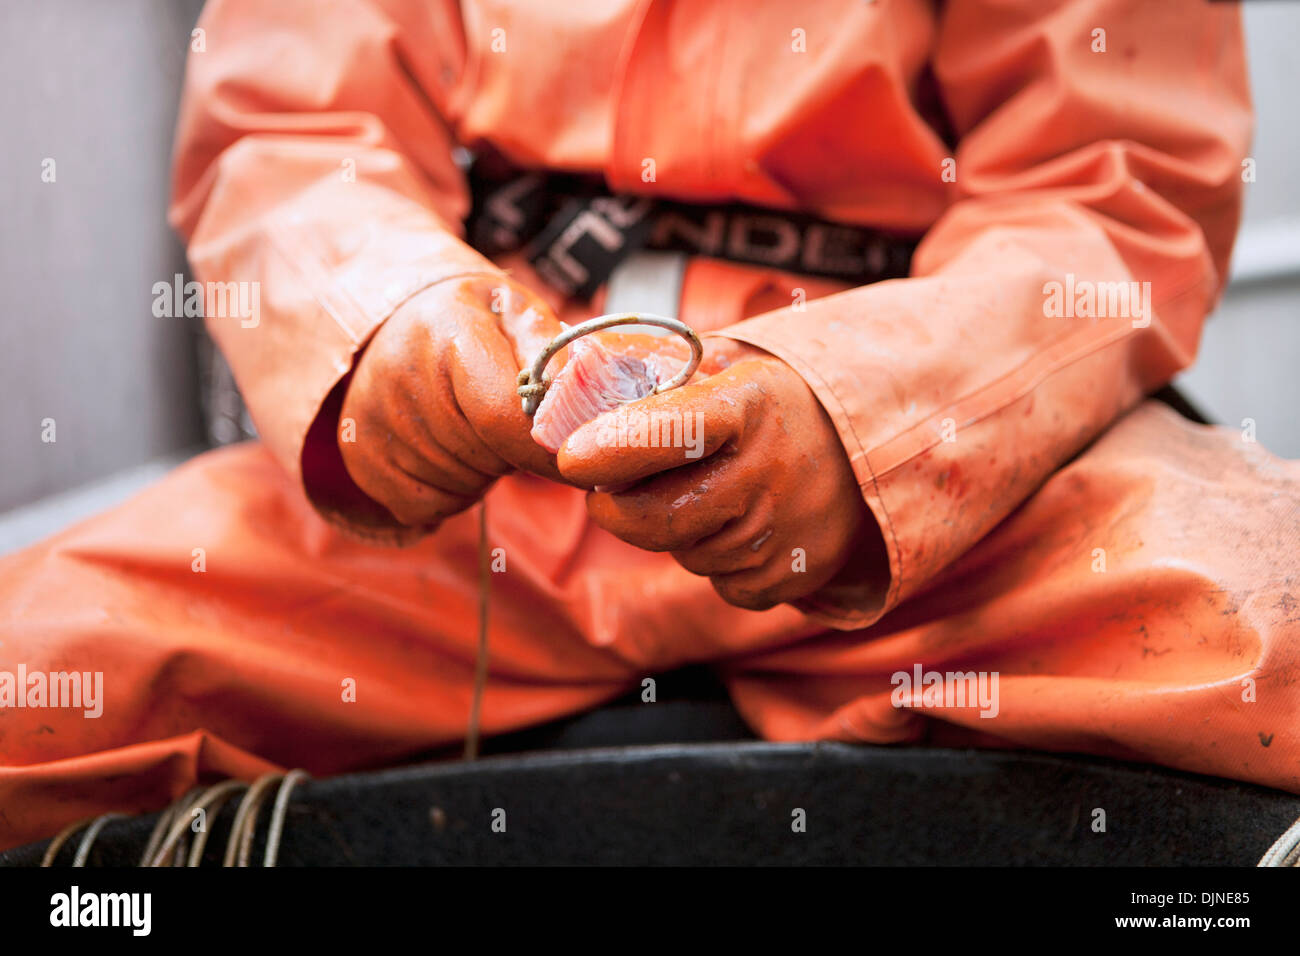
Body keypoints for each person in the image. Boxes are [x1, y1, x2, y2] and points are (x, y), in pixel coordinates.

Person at [2, 0, 1296, 853]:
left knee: (1270, 641)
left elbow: (1108, 191)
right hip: (453, 518)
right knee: (34, 678)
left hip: (948, 498)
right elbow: (286, 133)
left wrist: (857, 422)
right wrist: (385, 322)